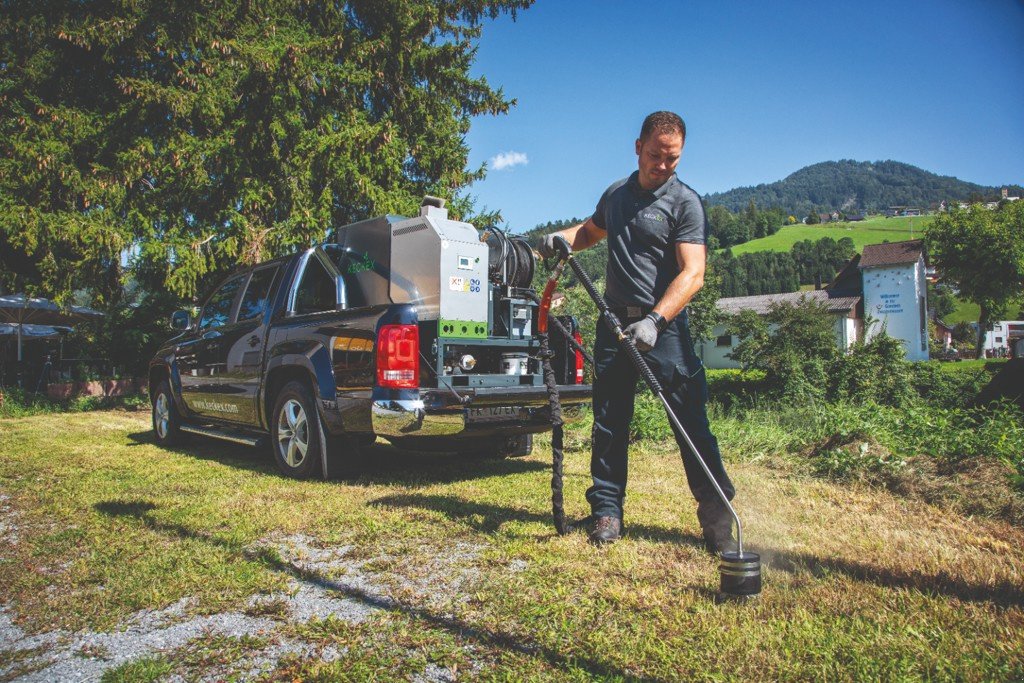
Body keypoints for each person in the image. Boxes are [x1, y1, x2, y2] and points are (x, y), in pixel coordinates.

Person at [537, 111, 736, 552]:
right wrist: (561, 239)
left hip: (662, 328)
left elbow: (694, 274)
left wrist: (656, 321)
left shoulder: (685, 203)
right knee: (609, 420)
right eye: (655, 156)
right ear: (637, 147)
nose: (663, 166)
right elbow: (590, 232)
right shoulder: (617, 195)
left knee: (690, 423)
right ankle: (607, 509)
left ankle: (719, 520)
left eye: (673, 159)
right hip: (614, 325)